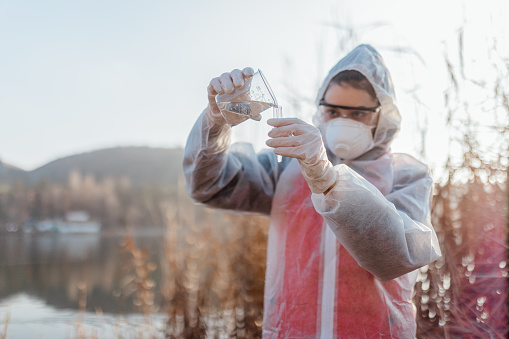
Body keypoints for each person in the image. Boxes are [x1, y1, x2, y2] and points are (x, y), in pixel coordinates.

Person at [183, 44, 441, 338]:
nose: (343, 121)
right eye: (332, 111)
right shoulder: (287, 167)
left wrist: (329, 181)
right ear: (320, 112)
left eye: (358, 113)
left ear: (382, 116)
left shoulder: (408, 175)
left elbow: (397, 257)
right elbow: (208, 186)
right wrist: (216, 122)